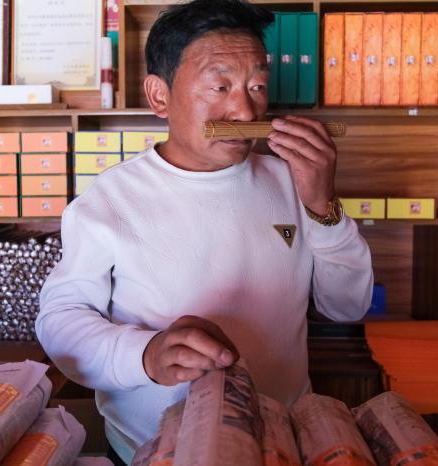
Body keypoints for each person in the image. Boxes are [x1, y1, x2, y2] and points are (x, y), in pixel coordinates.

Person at [36, 0, 373, 463]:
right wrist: (145, 354)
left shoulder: (294, 180)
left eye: (257, 86)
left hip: (279, 443)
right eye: (220, 86)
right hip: (151, 449)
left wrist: (322, 206)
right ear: (159, 96)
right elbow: (60, 318)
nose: (245, 110)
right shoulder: (110, 199)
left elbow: (347, 306)